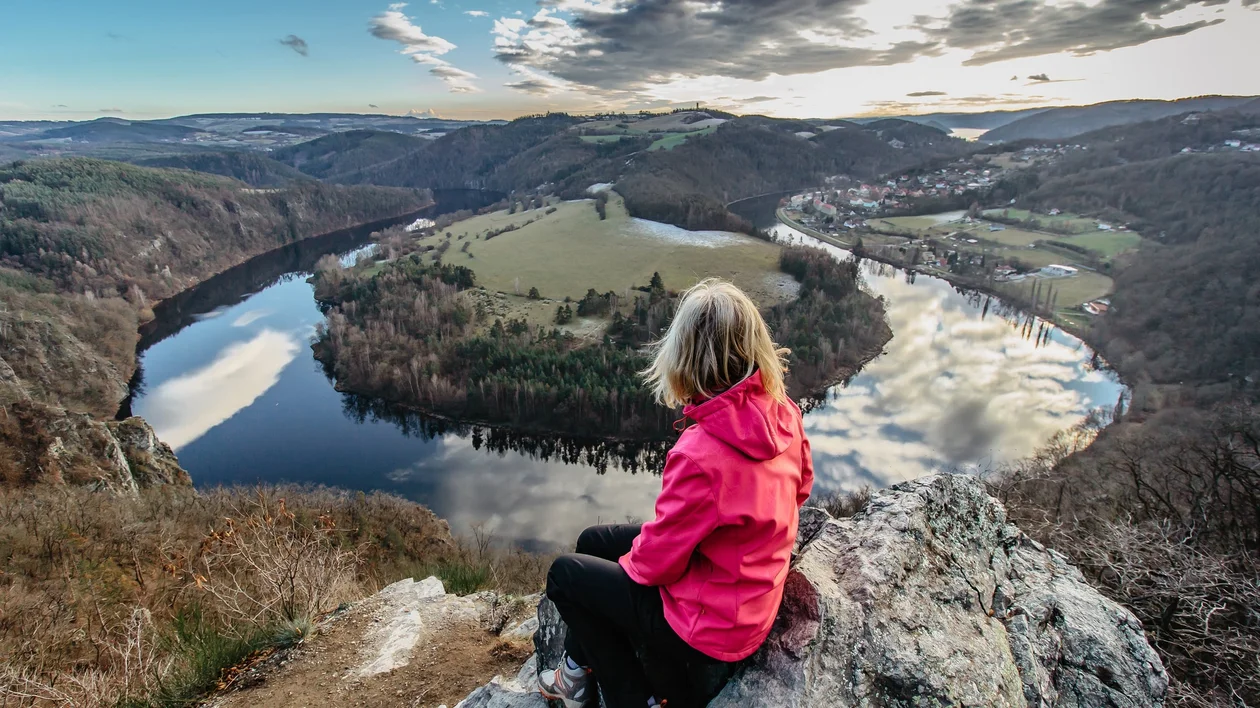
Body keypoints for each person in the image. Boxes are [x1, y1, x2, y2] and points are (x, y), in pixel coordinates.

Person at [539, 278, 814, 708]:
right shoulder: (784, 414)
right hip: (750, 600)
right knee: (593, 543)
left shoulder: (701, 453)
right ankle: (575, 668)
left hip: (709, 630)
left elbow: (656, 566)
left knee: (565, 575)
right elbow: (801, 490)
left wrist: (634, 564)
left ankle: (632, 698)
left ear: (685, 356)